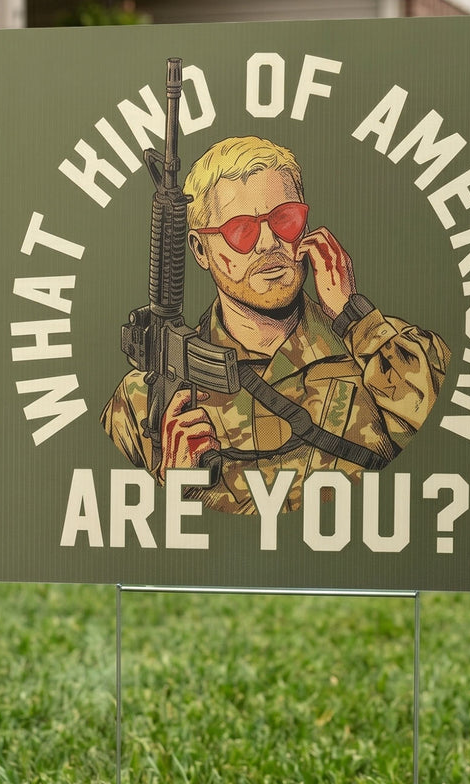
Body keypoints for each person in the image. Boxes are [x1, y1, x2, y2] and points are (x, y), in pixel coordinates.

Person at [101, 136, 450, 514]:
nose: (269, 242)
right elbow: (116, 530)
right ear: (201, 250)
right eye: (242, 230)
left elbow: (453, 449)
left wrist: (357, 321)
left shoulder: (386, 352)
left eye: (285, 220)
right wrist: (172, 492)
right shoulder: (140, 401)